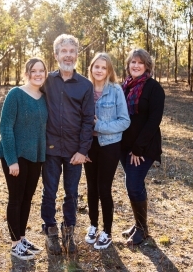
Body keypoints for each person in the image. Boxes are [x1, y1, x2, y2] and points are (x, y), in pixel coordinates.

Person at [40, 34, 95, 255]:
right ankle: (51, 231)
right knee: (49, 192)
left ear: (76, 55)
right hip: (50, 148)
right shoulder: (47, 81)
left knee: (71, 193)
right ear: (56, 55)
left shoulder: (85, 85)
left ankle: (69, 232)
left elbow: (87, 119)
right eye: (64, 51)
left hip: (74, 151)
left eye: (72, 51)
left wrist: (83, 150)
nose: (68, 55)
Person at [0, 58, 48, 260]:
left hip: (36, 156)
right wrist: (11, 160)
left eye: (41, 71)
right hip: (15, 155)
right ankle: (15, 243)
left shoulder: (44, 97)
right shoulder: (15, 94)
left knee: (27, 198)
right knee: (16, 199)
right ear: (27, 73)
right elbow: (5, 127)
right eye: (33, 71)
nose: (37, 74)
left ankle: (22, 237)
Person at [83, 53, 130, 250]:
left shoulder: (116, 90)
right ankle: (93, 225)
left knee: (104, 188)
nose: (99, 70)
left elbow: (124, 121)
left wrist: (99, 125)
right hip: (89, 145)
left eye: (103, 67)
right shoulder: (84, 89)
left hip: (109, 145)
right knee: (91, 188)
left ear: (109, 70)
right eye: (96, 66)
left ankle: (107, 232)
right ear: (91, 68)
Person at [119, 49, 165, 246]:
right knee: (133, 184)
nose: (136, 66)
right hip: (123, 146)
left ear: (147, 66)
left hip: (143, 148)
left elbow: (154, 121)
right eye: (132, 62)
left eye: (140, 62)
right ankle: (139, 224)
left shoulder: (154, 88)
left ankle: (142, 229)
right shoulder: (125, 87)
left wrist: (138, 148)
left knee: (133, 184)